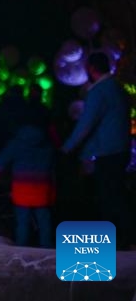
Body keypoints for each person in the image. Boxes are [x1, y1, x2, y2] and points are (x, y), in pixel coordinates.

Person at [61, 51, 133, 248]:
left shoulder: (99, 92)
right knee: (117, 194)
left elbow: (86, 125)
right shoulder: (118, 88)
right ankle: (125, 240)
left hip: (107, 152)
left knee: (108, 198)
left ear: (91, 69)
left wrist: (67, 149)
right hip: (122, 148)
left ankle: (114, 244)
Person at [0, 123, 55, 247]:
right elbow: (52, 174)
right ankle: (46, 254)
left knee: (22, 224)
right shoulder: (47, 146)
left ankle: (21, 251)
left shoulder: (15, 145)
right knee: (44, 224)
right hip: (42, 193)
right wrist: (52, 196)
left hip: (22, 194)